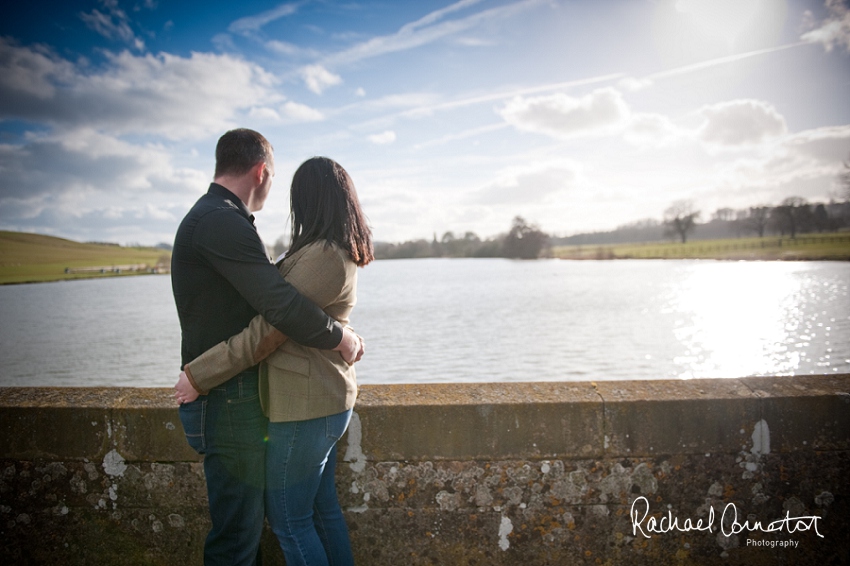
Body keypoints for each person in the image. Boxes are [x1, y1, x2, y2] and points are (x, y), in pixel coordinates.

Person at [171, 130, 363, 566]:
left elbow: (279, 309)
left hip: (249, 394)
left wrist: (340, 332)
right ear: (262, 172)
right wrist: (340, 336)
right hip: (227, 398)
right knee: (240, 535)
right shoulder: (221, 220)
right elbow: (279, 308)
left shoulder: (224, 219)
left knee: (270, 524)